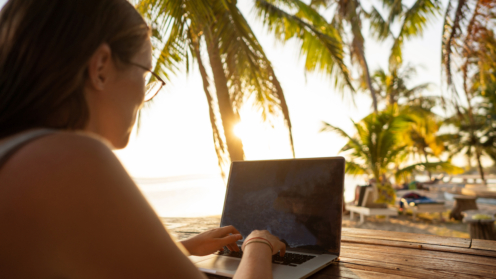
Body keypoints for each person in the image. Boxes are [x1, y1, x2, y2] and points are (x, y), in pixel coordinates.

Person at [0, 0, 286, 278]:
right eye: (146, 72)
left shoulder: (18, 156)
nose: (145, 94)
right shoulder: (68, 160)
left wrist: (180, 249)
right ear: (100, 68)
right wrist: (258, 245)